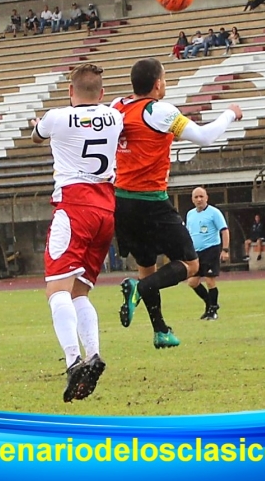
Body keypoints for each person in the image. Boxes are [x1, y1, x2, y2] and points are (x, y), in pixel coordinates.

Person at [112, 58, 242, 349]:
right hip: (151, 201)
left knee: (146, 265)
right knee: (191, 264)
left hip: (121, 200)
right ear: (158, 84)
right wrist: (230, 114)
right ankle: (138, 288)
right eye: (165, 78)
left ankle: (160, 331)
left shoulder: (116, 106)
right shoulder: (159, 111)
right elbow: (205, 137)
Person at [30, 63, 122, 402]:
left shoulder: (57, 117)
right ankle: (93, 353)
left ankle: (73, 361)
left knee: (56, 289)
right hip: (106, 209)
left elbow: (36, 135)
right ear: (100, 93)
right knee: (80, 292)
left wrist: (40, 127)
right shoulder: (115, 116)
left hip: (74, 207)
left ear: (71, 92)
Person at [185, 187, 230, 320]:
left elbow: (224, 230)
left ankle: (213, 310)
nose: (199, 199)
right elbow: (189, 233)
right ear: (192, 199)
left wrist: (225, 250)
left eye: (201, 196)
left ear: (206, 197)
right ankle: (209, 303)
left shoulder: (214, 213)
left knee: (210, 280)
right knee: (192, 282)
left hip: (211, 250)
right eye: (196, 197)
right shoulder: (190, 214)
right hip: (195, 253)